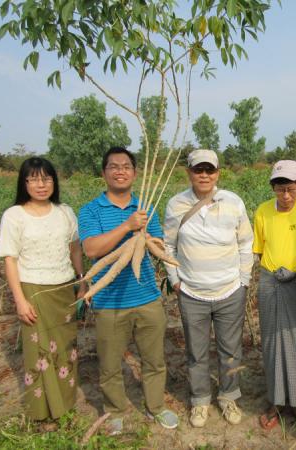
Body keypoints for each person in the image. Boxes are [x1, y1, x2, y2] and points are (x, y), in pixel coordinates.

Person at [78, 147, 178, 434]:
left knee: (154, 360)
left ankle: (156, 406)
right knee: (109, 363)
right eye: (113, 166)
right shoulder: (91, 210)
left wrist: (146, 238)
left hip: (147, 297)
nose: (120, 170)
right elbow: (92, 248)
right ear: (104, 173)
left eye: (126, 166)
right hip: (108, 300)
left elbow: (158, 248)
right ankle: (115, 410)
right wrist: (127, 227)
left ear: (135, 173)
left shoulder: (146, 206)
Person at [163, 149, 253, 428]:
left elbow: (245, 244)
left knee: (230, 350)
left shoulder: (233, 202)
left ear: (218, 173)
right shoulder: (176, 204)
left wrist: (243, 281)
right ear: (188, 172)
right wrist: (176, 280)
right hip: (192, 293)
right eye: (198, 170)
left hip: (229, 291)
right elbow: (168, 246)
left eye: (209, 170)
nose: (204, 175)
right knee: (196, 351)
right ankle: (200, 401)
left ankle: (228, 396)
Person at [0, 157, 87, 424]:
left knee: (66, 349)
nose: (41, 184)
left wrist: (82, 281)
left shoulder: (65, 212)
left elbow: (75, 249)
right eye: (34, 179)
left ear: (54, 181)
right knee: (39, 353)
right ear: (24, 183)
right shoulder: (14, 216)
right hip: (34, 289)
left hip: (64, 288)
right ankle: (43, 411)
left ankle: (66, 404)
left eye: (46, 178)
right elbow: (10, 259)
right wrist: (20, 300)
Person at [252, 160, 296, 431]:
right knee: (271, 341)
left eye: (291, 189)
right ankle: (277, 401)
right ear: (273, 188)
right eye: (280, 189)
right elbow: (258, 250)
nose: (286, 196)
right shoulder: (263, 212)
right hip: (270, 281)